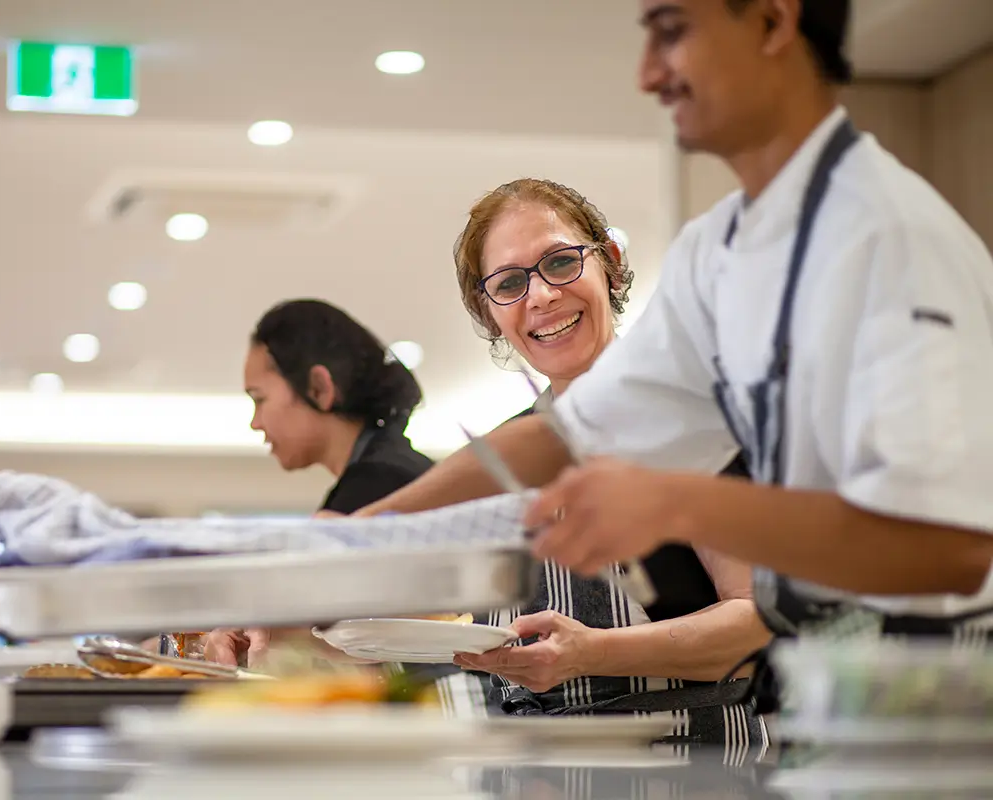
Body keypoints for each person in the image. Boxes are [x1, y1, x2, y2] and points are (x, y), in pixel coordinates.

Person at [361, 0, 993, 646]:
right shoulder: (713, 250)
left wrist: (673, 503)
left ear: (773, 23)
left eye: (671, 33)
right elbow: (563, 436)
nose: (646, 75)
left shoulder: (891, 237)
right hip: (828, 704)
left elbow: (954, 546)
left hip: (935, 696)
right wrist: (350, 542)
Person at [432, 177, 770, 743]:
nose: (539, 296)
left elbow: (756, 618)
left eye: (560, 263)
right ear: (489, 312)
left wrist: (591, 653)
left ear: (609, 264)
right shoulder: (502, 457)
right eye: (509, 283)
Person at [203, 299, 435, 667]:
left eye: (259, 399)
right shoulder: (386, 469)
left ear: (319, 387)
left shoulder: (378, 484)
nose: (255, 422)